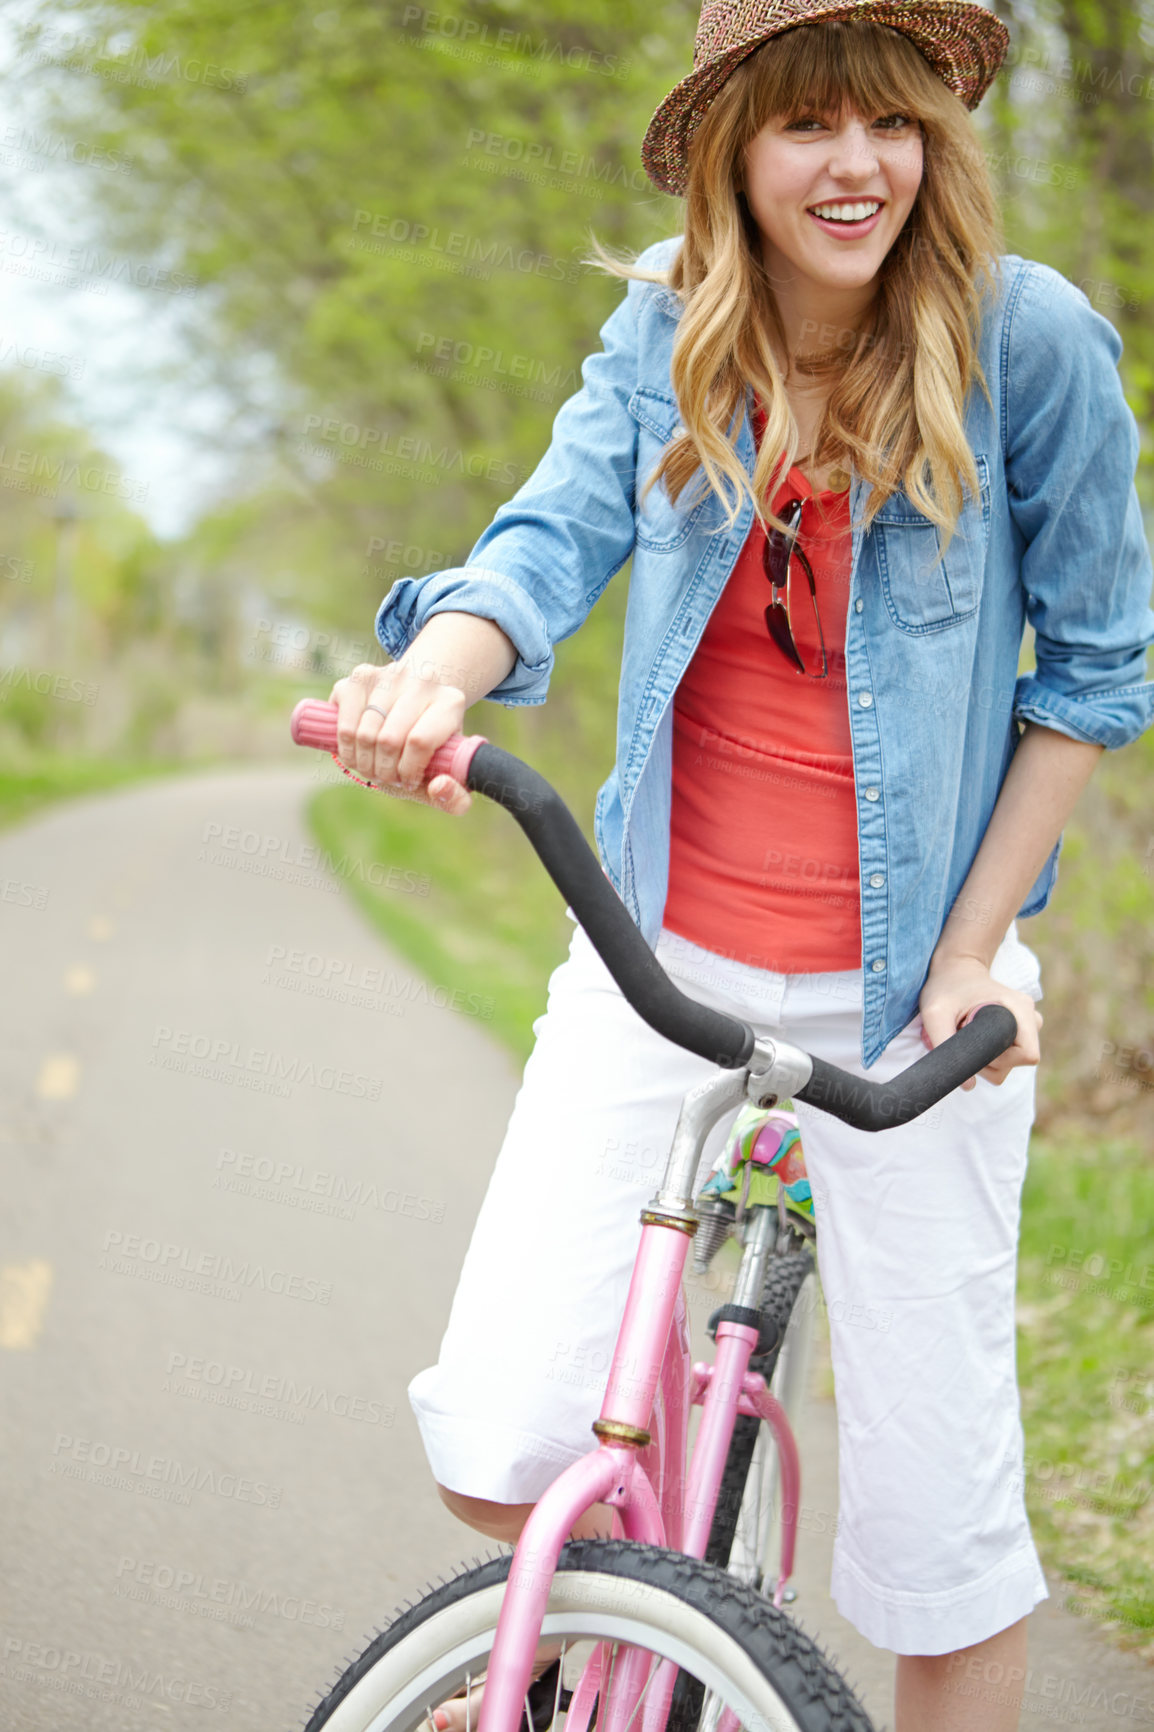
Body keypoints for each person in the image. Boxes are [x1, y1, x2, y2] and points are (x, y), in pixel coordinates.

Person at [330, 4, 1154, 1729]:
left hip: (911, 996)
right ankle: (643, 1660)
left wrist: (971, 958)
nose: (854, 167)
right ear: (733, 149)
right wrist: (433, 676)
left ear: (936, 139)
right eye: (806, 129)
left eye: (890, 126)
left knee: (946, 1546)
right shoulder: (666, 330)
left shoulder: (1033, 344)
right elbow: (549, 539)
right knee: (500, 1445)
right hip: (661, 955)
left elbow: (1093, 672)